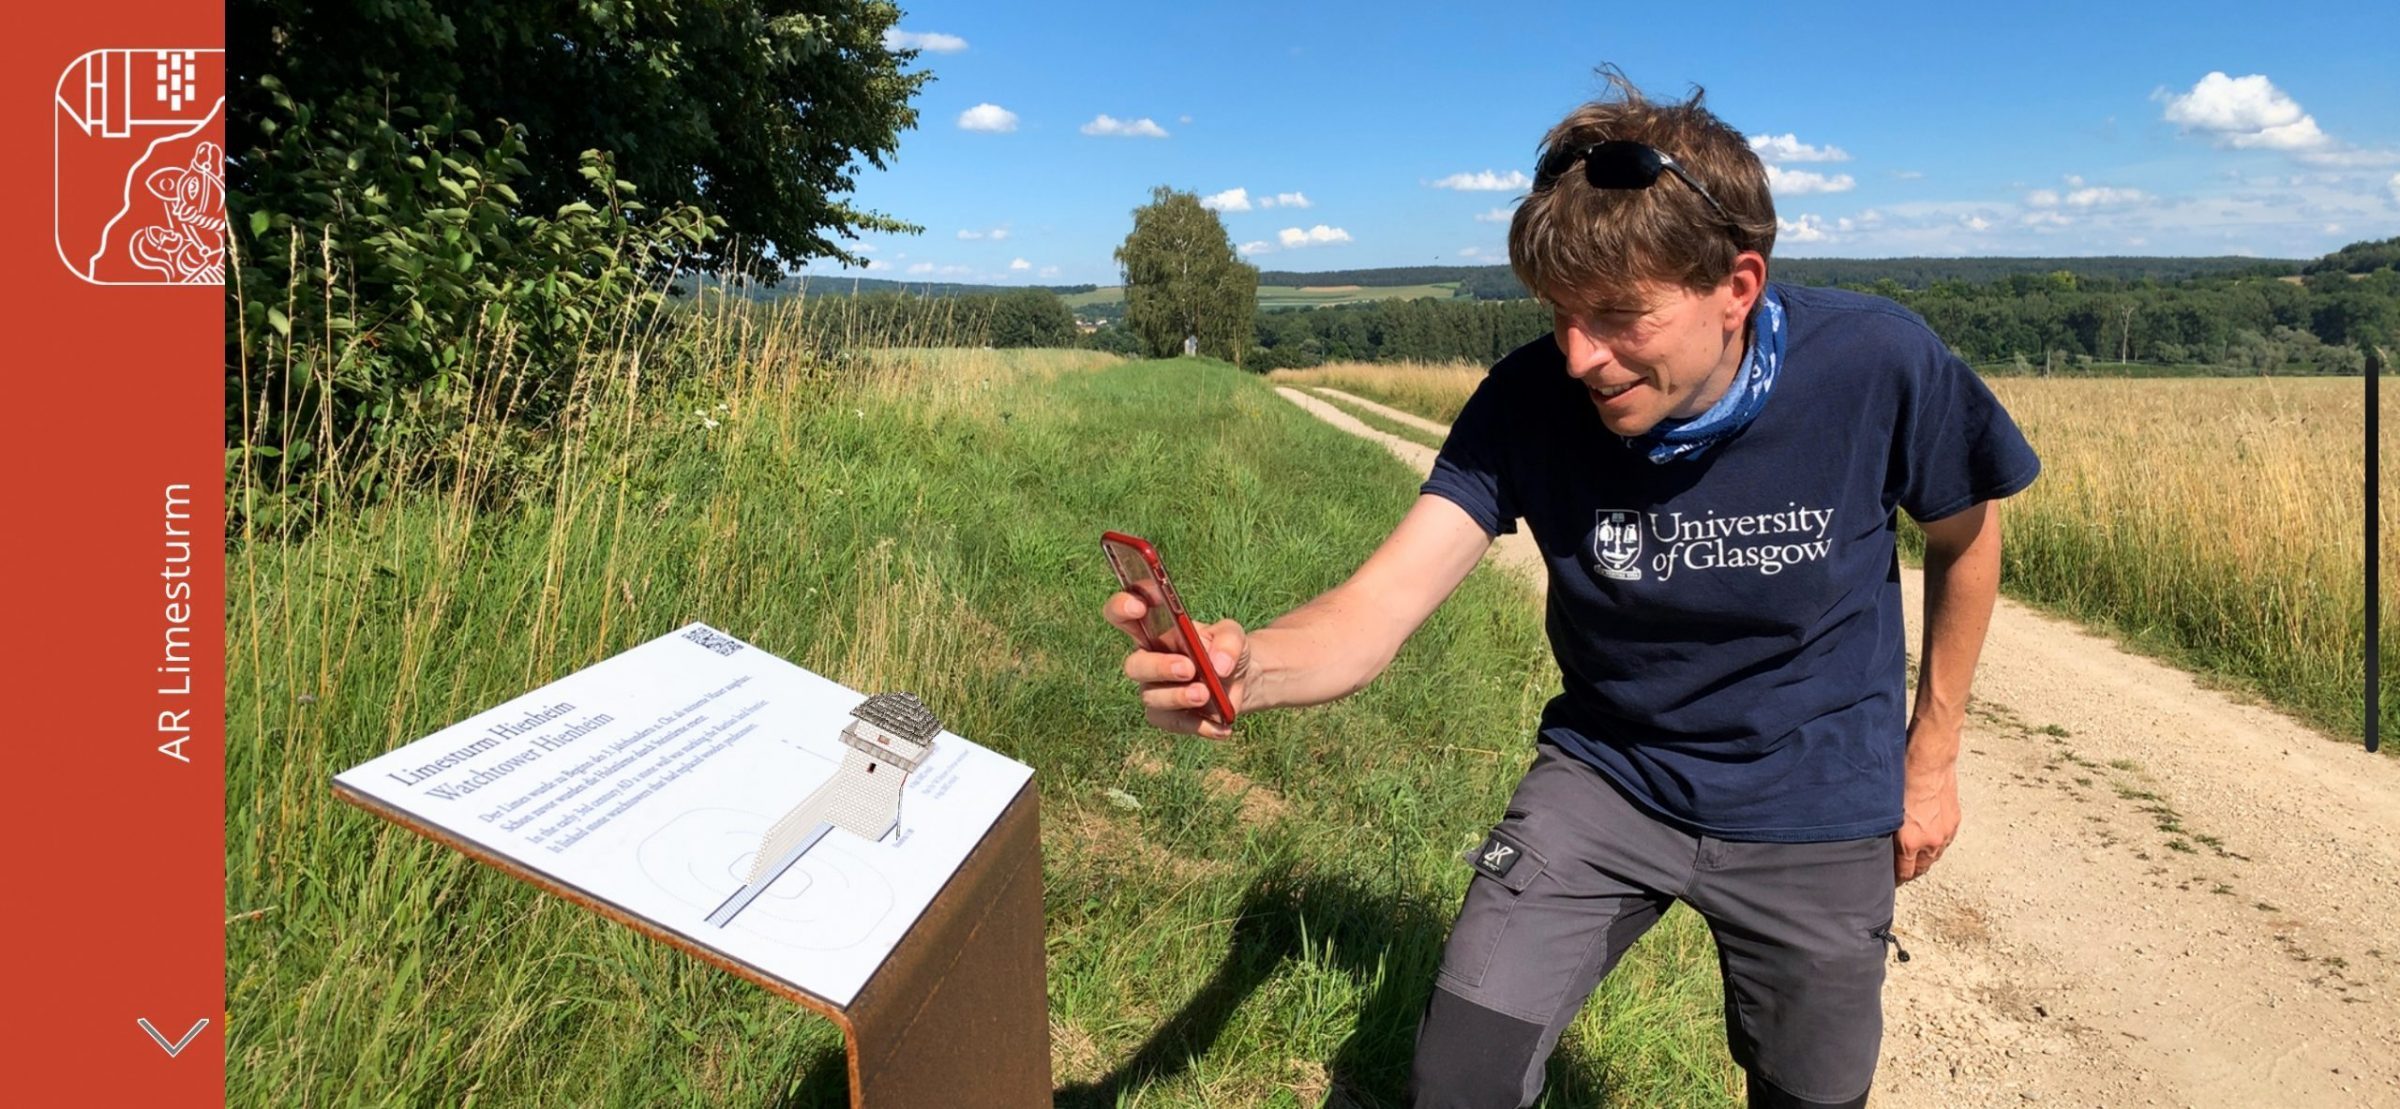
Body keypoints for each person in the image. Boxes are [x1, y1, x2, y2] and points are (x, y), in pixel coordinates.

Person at [1104, 71, 2038, 1109]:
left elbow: (1968, 532)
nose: (1581, 356)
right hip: (1609, 775)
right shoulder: (1527, 401)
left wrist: (1932, 756)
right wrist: (1248, 665)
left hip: (1813, 797)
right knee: (1459, 1077)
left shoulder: (1875, 362)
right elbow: (1381, 602)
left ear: (1739, 285)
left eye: (1619, 316)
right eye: (1558, 314)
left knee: (1811, 1093)